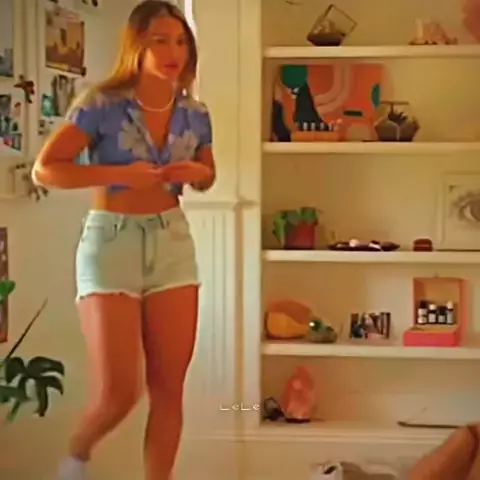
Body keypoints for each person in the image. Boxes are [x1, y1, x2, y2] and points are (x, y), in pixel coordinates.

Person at [32, 1, 215, 479]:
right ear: (137, 45)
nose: (173, 52)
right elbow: (46, 170)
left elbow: (208, 175)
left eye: (181, 42)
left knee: (168, 391)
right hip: (111, 242)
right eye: (161, 40)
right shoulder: (100, 104)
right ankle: (76, 456)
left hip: (172, 241)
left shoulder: (195, 113)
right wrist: (119, 175)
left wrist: (194, 172)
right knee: (119, 393)